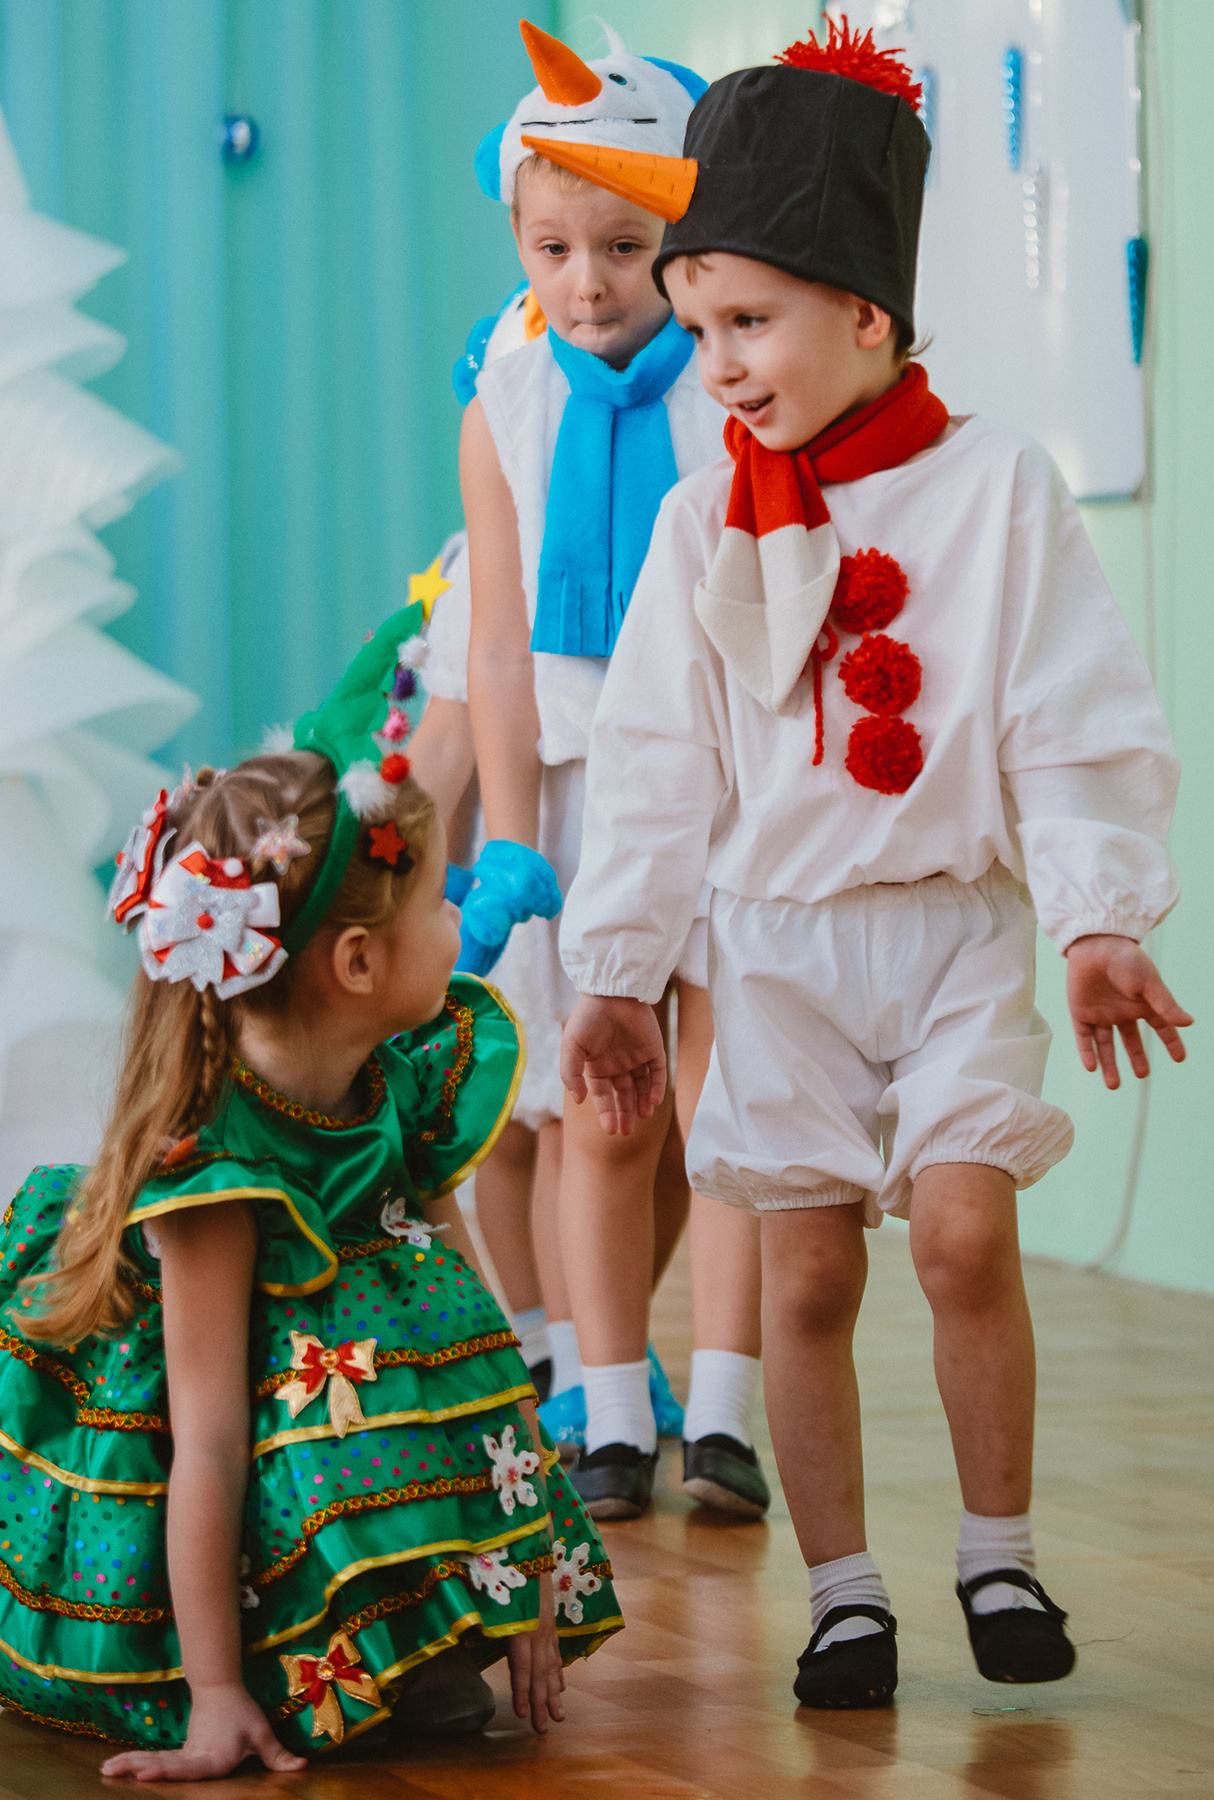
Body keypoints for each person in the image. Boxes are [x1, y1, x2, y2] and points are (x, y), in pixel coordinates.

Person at [559, 20, 1189, 1706]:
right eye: (698, 330)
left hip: (953, 934)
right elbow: (648, 769)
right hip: (770, 951)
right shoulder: (707, 524)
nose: (721, 367)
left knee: (964, 1235)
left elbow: (1062, 716)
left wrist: (1091, 917)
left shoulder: (994, 488)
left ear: (866, 311)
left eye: (748, 322)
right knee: (810, 1264)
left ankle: (996, 1559)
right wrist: (615, 972)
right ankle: (844, 1595)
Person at [0, 606, 621, 1778]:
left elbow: (481, 1352)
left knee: (410, 1310)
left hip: (303, 1426)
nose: (460, 918)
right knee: (319, 1366)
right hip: (197, 1473)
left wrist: (527, 1544)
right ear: (354, 965)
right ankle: (256, 1664)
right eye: (442, 901)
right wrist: (217, 1696)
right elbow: (210, 1443)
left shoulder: (392, 1084)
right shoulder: (214, 1176)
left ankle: (388, 1644)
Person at [462, 19, 769, 1522]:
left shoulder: (732, 379)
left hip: (725, 786)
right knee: (600, 1104)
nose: (585, 284)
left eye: (624, 245)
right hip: (584, 793)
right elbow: (500, 649)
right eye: (550, 247)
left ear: (684, 233)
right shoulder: (504, 393)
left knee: (728, 1105)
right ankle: (604, 1416)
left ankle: (720, 1414)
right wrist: (511, 844)